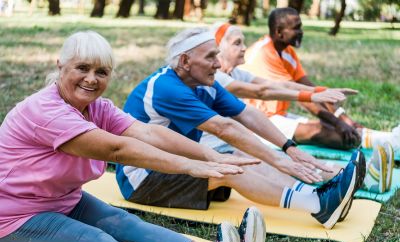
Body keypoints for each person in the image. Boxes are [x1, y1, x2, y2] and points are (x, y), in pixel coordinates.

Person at [0, 31, 269, 242]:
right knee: (94, 241)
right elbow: (117, 149)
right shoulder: (46, 111)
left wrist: (210, 156)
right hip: (14, 218)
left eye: (101, 72)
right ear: (61, 65)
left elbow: (149, 133)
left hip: (61, 200)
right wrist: (189, 166)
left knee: (125, 223)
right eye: (82, 68)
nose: (92, 79)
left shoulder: (97, 108)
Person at [117, 27, 365, 230]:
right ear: (184, 61)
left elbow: (247, 114)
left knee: (242, 158)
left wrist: (288, 148)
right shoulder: (166, 87)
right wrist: (279, 159)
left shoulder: (204, 84)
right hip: (143, 180)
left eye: (217, 55)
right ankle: (317, 204)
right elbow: (224, 128)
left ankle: (318, 194)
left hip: (177, 165)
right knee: (229, 168)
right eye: (210, 57)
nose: (217, 63)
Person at [205, 23, 394, 194]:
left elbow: (279, 86)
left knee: (287, 160)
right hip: (225, 147)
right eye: (237, 43)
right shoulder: (217, 78)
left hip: (237, 140)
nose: (244, 48)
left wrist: (320, 91)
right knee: (280, 162)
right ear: (218, 47)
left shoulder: (236, 72)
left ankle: (364, 179)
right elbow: (263, 91)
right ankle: (335, 191)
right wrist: (313, 95)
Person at [241, 7, 399, 153]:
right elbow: (302, 97)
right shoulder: (263, 54)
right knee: (320, 131)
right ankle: (390, 144)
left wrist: (344, 118)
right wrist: (338, 123)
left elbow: (310, 88)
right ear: (279, 32)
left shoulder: (286, 51)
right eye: (296, 28)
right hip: (255, 121)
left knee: (334, 126)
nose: (301, 32)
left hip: (276, 115)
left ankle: (389, 139)